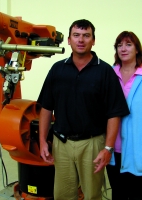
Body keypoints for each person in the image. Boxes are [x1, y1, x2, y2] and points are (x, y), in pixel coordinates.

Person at [37, 19, 130, 200]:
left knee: (93, 195)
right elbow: (46, 108)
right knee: (62, 195)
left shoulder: (104, 71)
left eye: (86, 36)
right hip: (61, 144)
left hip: (92, 144)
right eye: (76, 35)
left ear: (93, 40)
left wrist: (108, 149)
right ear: (69, 40)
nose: (81, 40)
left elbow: (114, 114)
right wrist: (42, 141)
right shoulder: (57, 70)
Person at [106, 31, 142, 200]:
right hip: (113, 146)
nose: (123, 49)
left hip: (138, 149)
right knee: (118, 193)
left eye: (128, 44)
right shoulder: (108, 74)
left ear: (137, 49)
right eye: (119, 45)